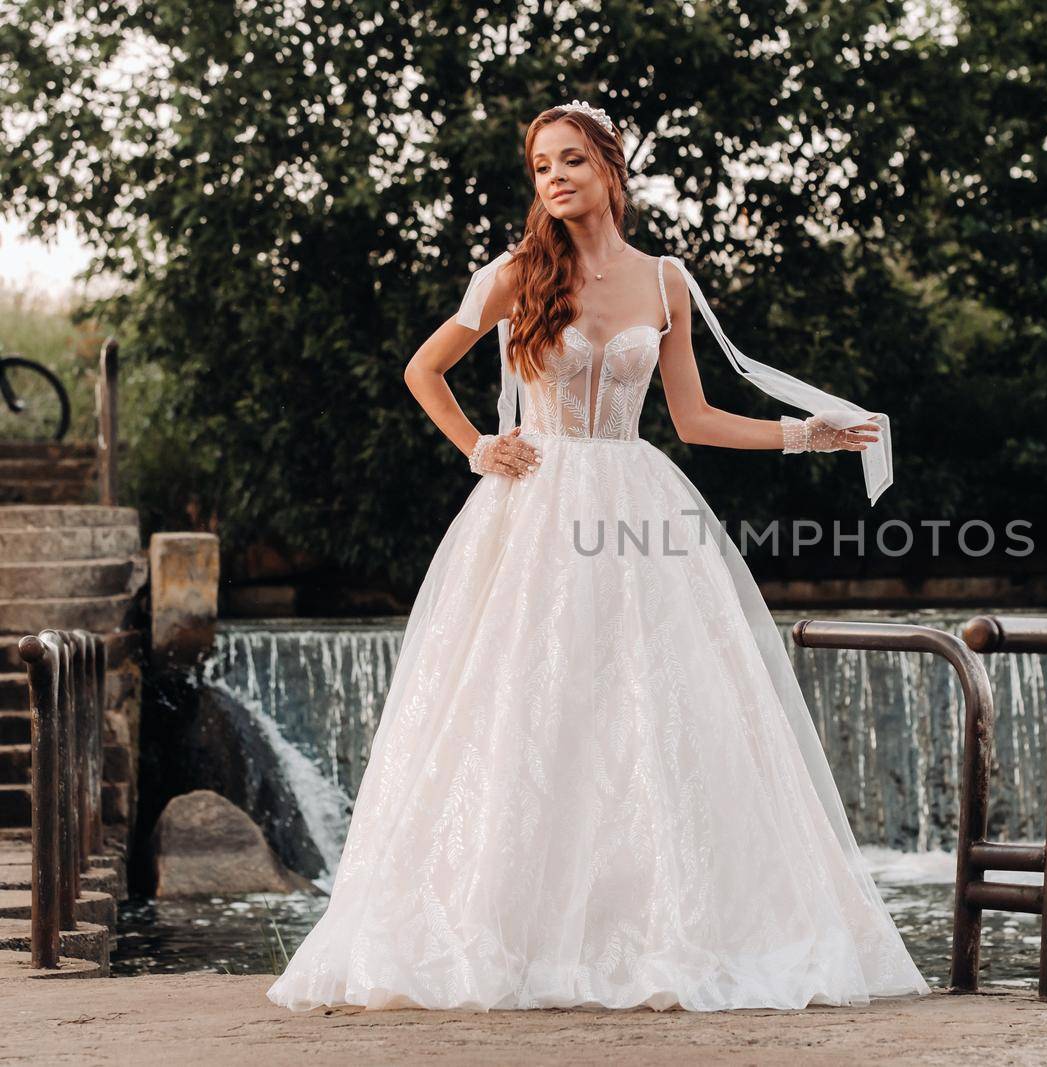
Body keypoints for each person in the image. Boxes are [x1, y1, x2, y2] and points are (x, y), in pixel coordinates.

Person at [265, 100, 929, 1012]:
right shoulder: (513, 274)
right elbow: (424, 369)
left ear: (611, 169)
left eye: (572, 159)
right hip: (534, 508)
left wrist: (808, 434)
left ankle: (656, 926)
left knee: (650, 713)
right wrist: (475, 446)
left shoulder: (665, 282)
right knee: (520, 712)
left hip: (638, 504)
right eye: (542, 166)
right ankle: (510, 936)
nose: (556, 178)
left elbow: (694, 419)